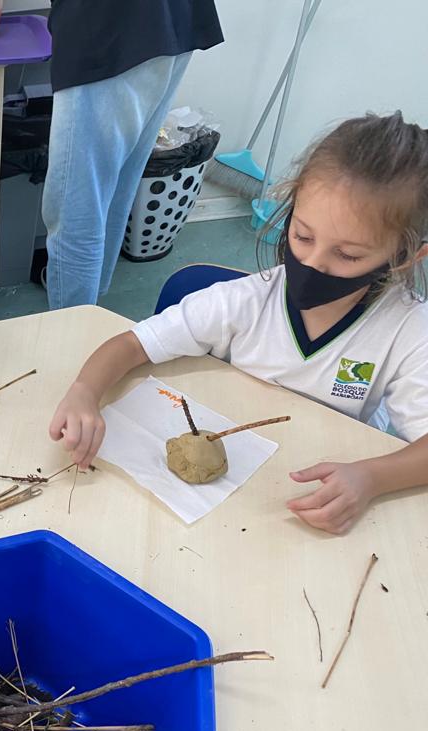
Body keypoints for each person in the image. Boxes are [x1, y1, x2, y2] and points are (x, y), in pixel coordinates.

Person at [50, 113, 428, 535]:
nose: (312, 263)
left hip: (307, 498)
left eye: (349, 256)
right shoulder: (246, 301)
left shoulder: (410, 332)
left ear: (406, 257)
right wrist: (84, 391)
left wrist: (373, 477)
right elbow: (131, 344)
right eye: (302, 236)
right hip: (228, 506)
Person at [43, 0, 223, 308]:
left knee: (76, 207)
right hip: (169, 17)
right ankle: (87, 308)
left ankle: (70, 330)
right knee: (113, 185)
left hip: (108, 26)